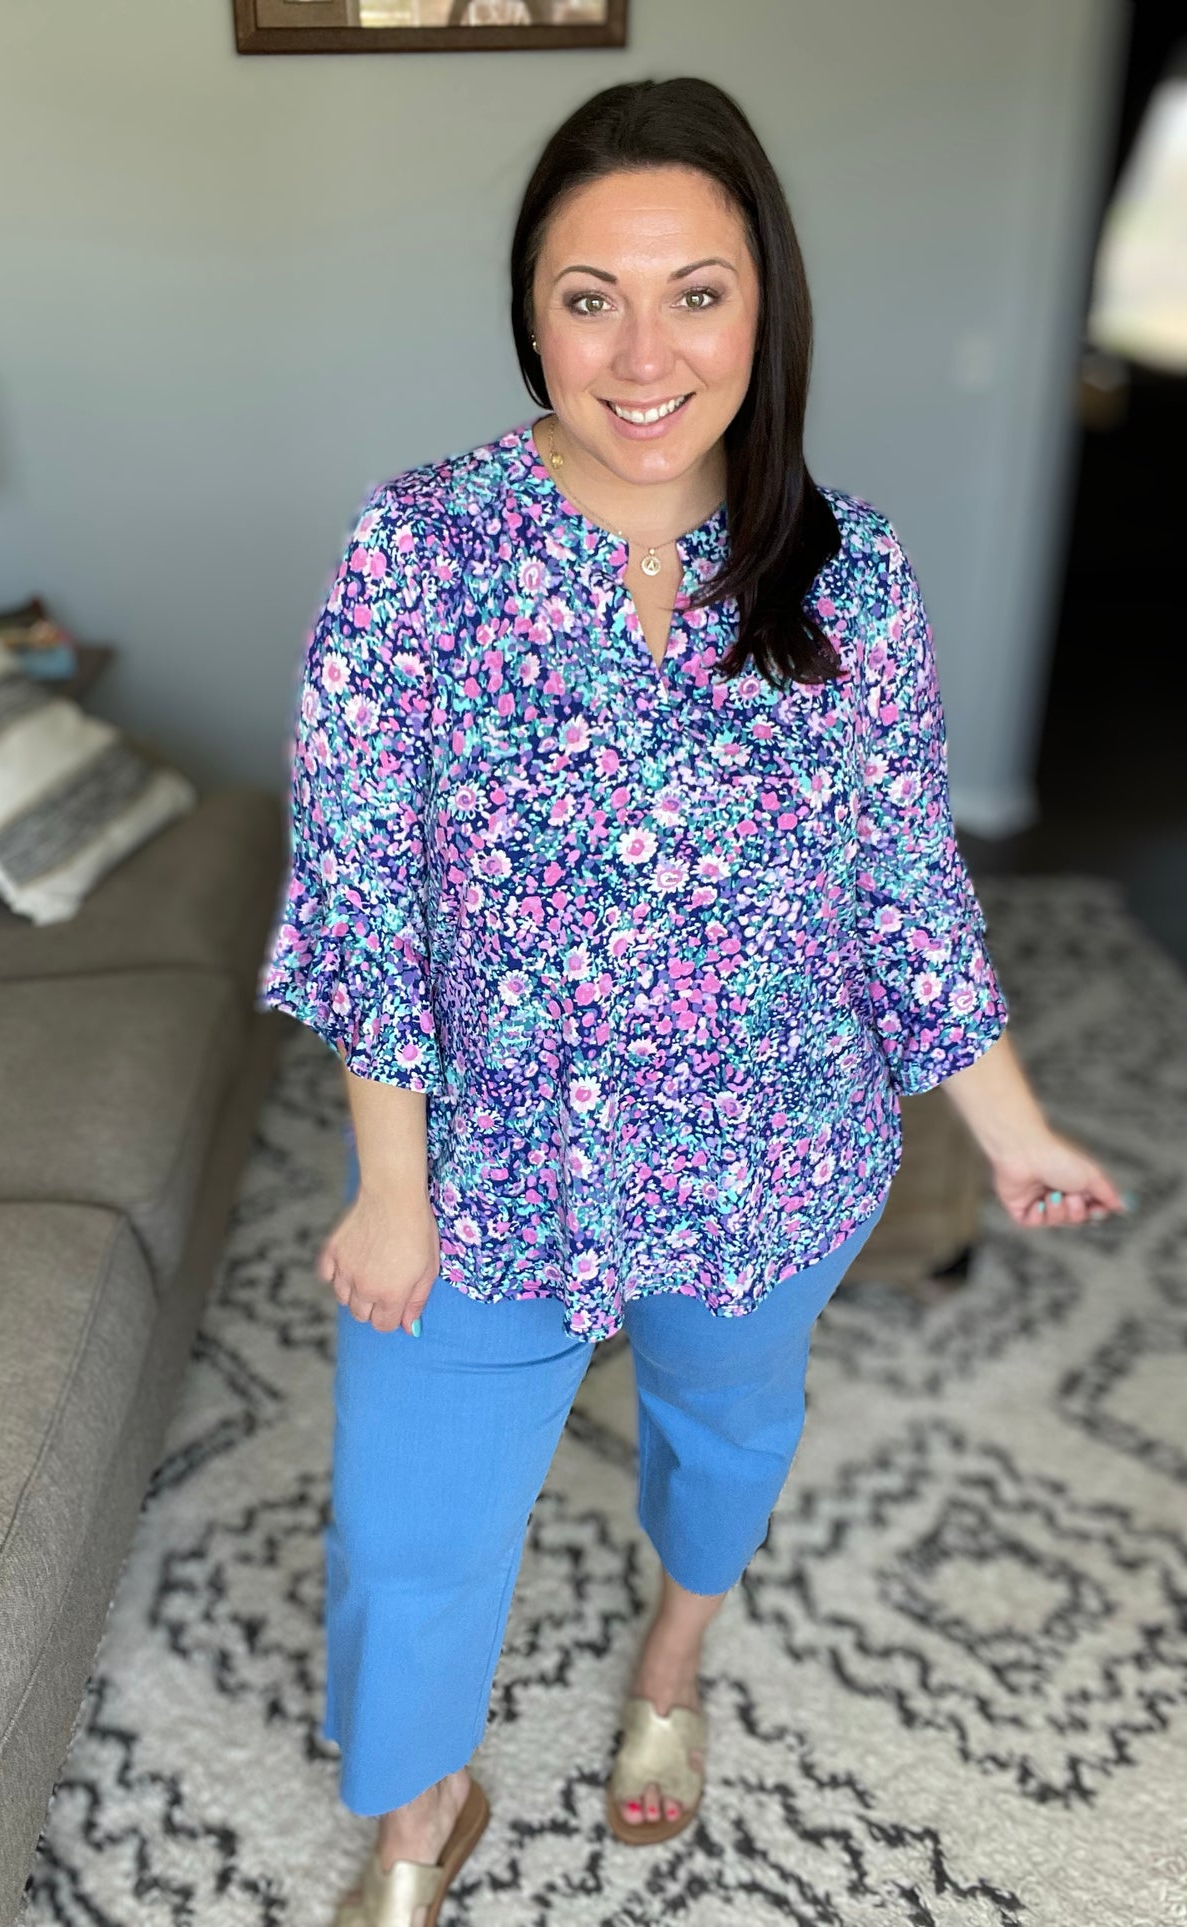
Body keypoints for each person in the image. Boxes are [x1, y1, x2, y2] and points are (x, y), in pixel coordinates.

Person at [254, 74, 1127, 1927]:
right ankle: (420, 1810)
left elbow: (902, 883)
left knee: (720, 1441)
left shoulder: (848, 568)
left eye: (696, 291)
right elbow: (357, 891)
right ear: (532, 313)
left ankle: (667, 1670)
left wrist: (1012, 1126)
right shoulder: (421, 549)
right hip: (480, 1172)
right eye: (590, 296)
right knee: (412, 1533)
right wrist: (392, 1189)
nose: (642, 351)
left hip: (767, 1158)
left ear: (764, 306)